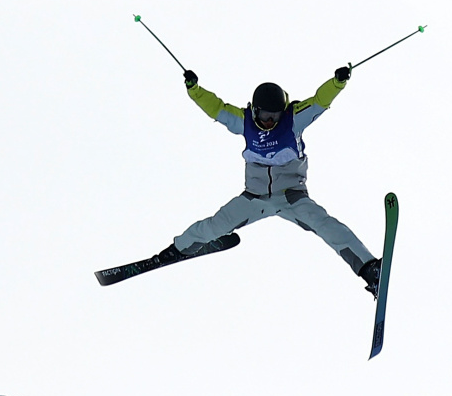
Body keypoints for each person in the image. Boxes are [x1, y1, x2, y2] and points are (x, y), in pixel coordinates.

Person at [153, 66, 382, 297]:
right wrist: (195, 90)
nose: (271, 121)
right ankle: (178, 249)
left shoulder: (293, 120)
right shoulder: (244, 122)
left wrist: (337, 83)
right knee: (216, 225)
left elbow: (319, 101)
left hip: (292, 196)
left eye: (275, 116)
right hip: (254, 197)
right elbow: (217, 109)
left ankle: (369, 268)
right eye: (265, 116)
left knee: (326, 226)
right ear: (256, 112)